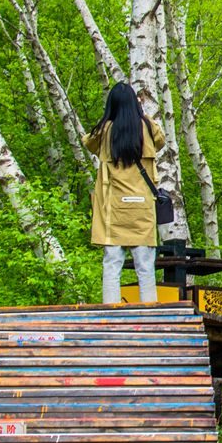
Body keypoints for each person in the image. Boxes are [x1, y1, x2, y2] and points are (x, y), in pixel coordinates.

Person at [83, 82, 165, 304]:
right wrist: (143, 112)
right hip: (142, 208)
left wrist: (107, 118)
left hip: (114, 207)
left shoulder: (105, 130)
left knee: (112, 265)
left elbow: (88, 142)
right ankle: (149, 316)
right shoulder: (147, 127)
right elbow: (161, 139)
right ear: (134, 104)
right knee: (145, 267)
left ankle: (111, 315)